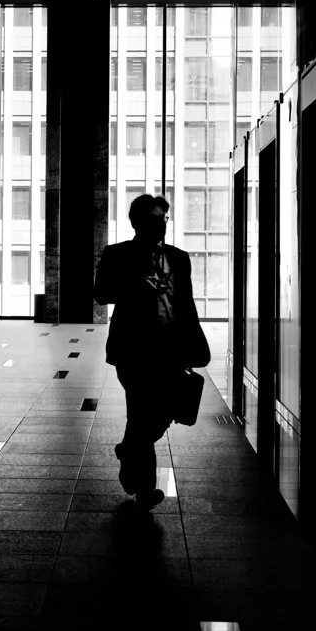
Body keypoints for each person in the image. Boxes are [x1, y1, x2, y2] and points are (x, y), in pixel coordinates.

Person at [93, 194, 210, 510]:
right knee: (143, 412)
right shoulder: (117, 255)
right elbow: (101, 294)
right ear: (139, 222)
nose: (162, 225)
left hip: (170, 351)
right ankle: (144, 488)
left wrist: (196, 345)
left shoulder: (178, 258)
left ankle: (130, 449)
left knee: (160, 416)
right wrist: (134, 283)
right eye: (156, 219)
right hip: (133, 350)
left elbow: (186, 305)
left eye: (164, 219)